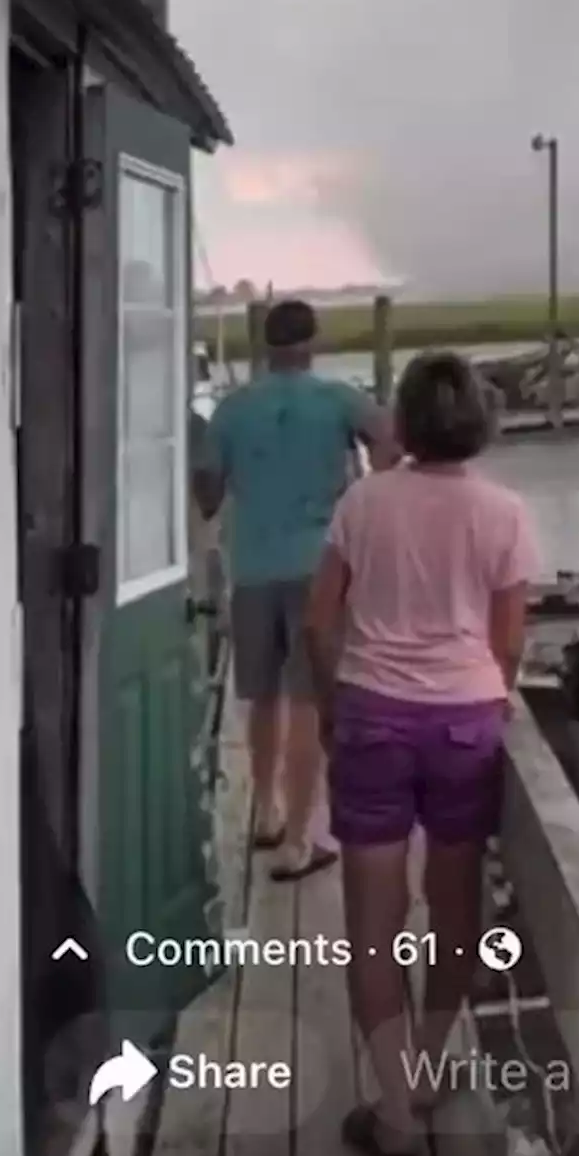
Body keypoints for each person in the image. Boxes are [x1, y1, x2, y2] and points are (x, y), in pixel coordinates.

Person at [305, 350, 541, 1156]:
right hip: (465, 720)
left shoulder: (362, 501)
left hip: (373, 713)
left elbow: (317, 623)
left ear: (402, 420)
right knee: (454, 903)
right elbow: (509, 639)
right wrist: (479, 695)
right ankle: (431, 1068)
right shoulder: (505, 511)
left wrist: (335, 710)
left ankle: (394, 1109)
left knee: (372, 922)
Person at [195, 297, 398, 881]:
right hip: (320, 566)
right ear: (313, 341)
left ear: (263, 344)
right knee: (309, 701)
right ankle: (301, 840)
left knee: (263, 696)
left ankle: (265, 811)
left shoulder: (233, 409)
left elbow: (208, 491)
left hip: (251, 565)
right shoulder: (337, 399)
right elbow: (389, 444)